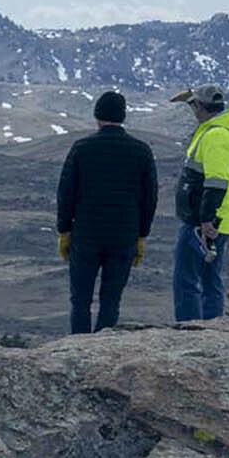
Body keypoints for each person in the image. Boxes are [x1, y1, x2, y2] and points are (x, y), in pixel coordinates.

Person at [56, 90, 158, 333]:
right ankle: (104, 344)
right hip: (124, 235)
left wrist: (64, 231)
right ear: (122, 117)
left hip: (86, 234)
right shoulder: (141, 150)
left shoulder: (82, 148)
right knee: (111, 301)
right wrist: (142, 235)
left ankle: (78, 349)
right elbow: (149, 198)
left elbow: (65, 193)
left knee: (80, 301)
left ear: (97, 116)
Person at [168, 83, 229, 321]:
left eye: (194, 106)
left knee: (186, 279)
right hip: (217, 219)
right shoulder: (224, 129)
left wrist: (206, 219)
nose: (193, 111)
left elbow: (216, 182)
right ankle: (211, 327)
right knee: (209, 276)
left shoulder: (217, 136)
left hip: (205, 221)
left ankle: (191, 328)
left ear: (201, 107)